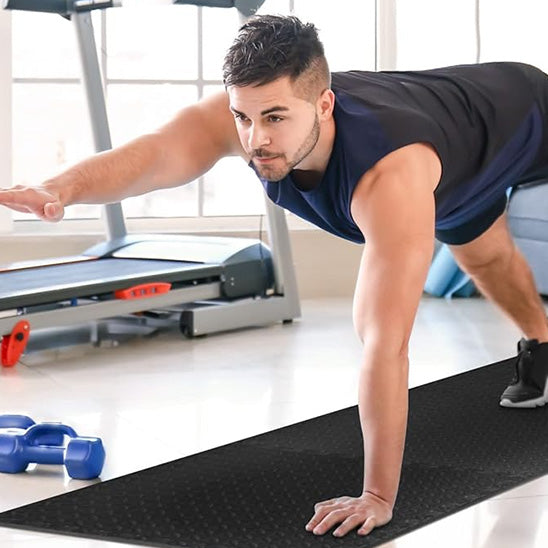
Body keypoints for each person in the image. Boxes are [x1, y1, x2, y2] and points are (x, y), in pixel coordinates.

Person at [2, 13, 548, 539]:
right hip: (462, 162)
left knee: (415, 302)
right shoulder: (249, 115)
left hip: (527, 113)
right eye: (244, 118)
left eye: (276, 118)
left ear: (324, 104)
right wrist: (60, 189)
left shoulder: (390, 179)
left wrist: (377, 497)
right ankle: (543, 347)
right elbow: (155, 156)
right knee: (484, 257)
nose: (255, 138)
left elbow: (386, 346)